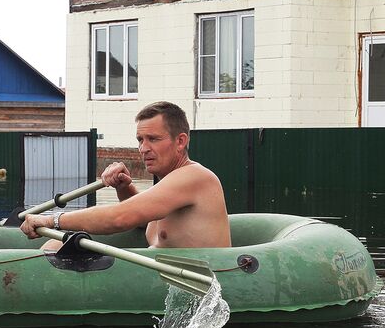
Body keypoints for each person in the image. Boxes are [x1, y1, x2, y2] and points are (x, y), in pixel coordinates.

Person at [20, 101, 230, 248]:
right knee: (56, 243)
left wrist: (52, 220)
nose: (143, 148)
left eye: (153, 139)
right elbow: (141, 221)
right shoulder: (169, 184)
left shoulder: (193, 177)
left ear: (181, 141)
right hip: (165, 280)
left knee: (57, 242)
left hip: (197, 283)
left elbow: (120, 218)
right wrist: (124, 188)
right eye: (140, 139)